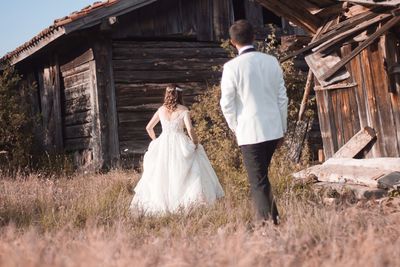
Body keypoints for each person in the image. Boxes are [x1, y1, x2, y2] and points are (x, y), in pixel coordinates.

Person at [220, 20, 288, 225]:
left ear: (232, 42)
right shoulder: (271, 61)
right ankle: (270, 219)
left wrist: (235, 127)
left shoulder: (231, 67)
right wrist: (282, 128)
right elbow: (282, 98)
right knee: (261, 178)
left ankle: (268, 225)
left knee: (257, 181)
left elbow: (226, 103)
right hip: (274, 130)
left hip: (249, 131)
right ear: (254, 37)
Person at [130, 84, 224, 215]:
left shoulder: (161, 110)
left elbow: (149, 127)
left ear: (167, 95)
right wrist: (195, 142)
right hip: (180, 143)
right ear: (180, 95)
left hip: (163, 143)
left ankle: (163, 206)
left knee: (162, 174)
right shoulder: (184, 110)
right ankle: (184, 205)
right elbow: (190, 129)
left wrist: (155, 140)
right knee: (184, 172)